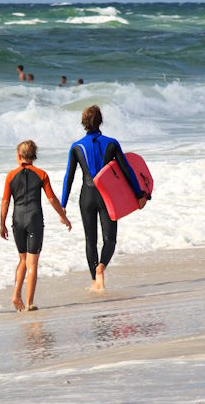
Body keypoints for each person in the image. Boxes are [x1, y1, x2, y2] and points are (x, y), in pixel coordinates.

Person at [61, 106, 149, 292]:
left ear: (83, 123)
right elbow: (127, 171)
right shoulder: (112, 143)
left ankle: (95, 281)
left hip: (86, 197)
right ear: (101, 121)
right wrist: (140, 194)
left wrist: (62, 205)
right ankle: (101, 267)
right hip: (107, 197)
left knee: (90, 240)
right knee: (110, 239)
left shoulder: (76, 147)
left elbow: (69, 177)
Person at [1, 140, 71, 311]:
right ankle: (30, 303)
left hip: (17, 220)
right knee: (32, 263)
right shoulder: (41, 175)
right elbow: (52, 199)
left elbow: (4, 202)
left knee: (23, 259)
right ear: (34, 156)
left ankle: (16, 295)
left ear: (19, 156)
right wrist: (63, 217)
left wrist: (2, 224)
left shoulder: (10, 176)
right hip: (34, 220)